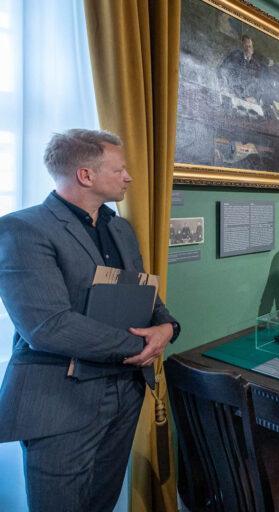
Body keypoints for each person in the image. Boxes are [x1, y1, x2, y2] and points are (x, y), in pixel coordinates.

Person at [0, 129, 179, 511]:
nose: (129, 177)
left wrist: (167, 327)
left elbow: (143, 292)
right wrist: (142, 345)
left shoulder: (120, 228)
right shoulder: (22, 229)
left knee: (102, 502)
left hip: (126, 390)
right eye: (120, 169)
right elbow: (47, 326)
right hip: (61, 398)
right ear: (86, 175)